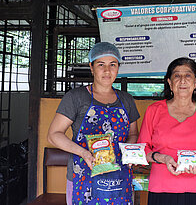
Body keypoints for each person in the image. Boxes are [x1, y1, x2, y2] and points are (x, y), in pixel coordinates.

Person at [47, 42, 140, 205]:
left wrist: (130, 153)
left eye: (112, 64)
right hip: (83, 176)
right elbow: (54, 135)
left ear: (118, 67)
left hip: (119, 177)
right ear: (91, 67)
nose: (107, 70)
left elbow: (133, 134)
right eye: (100, 64)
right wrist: (84, 153)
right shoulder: (76, 97)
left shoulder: (127, 100)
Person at [137, 57, 196, 205]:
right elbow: (143, 148)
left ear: (195, 81)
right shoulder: (154, 110)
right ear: (170, 83)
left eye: (188, 75)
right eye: (177, 76)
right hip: (162, 187)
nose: (183, 80)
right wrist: (163, 158)